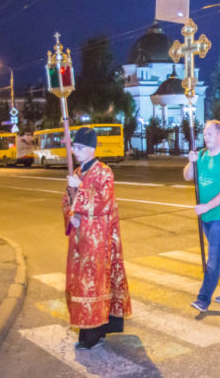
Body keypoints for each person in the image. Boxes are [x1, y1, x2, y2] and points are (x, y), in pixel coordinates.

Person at [64, 127, 131, 350]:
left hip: (99, 239)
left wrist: (80, 188)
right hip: (79, 240)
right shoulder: (76, 173)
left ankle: (96, 333)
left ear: (92, 149)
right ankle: (86, 332)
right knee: (81, 285)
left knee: (95, 284)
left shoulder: (104, 172)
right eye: (74, 146)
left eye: (80, 147)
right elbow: (66, 200)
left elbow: (103, 202)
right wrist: (70, 215)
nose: (75, 151)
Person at [184, 121, 220, 312]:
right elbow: (187, 176)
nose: (205, 137)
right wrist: (190, 162)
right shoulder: (201, 155)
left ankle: (203, 298)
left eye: (209, 133)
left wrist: (207, 206)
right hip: (206, 215)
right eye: (204, 133)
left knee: (214, 257)